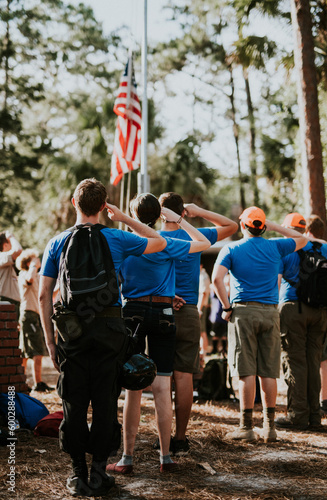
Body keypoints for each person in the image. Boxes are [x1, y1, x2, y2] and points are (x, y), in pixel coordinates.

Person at [38, 178, 167, 497]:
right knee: (106, 399)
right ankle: (99, 473)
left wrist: (51, 342)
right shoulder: (117, 237)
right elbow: (159, 241)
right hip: (110, 330)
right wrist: (123, 218)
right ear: (103, 206)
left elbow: (44, 295)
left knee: (74, 401)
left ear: (73, 203)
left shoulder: (57, 242)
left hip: (73, 332)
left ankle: (77, 475)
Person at [107, 193, 210, 475]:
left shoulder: (124, 242)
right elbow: (205, 243)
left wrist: (123, 219)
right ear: (158, 216)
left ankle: (127, 459)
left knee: (133, 388)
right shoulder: (167, 243)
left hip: (133, 314)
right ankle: (166, 458)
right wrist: (179, 221)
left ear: (132, 213)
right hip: (164, 312)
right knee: (163, 386)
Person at [212, 207, 307, 443]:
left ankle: (246, 427)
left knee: (246, 370)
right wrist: (273, 226)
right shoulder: (275, 246)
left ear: (243, 225)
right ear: (262, 227)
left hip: (243, 312)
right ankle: (270, 427)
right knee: (268, 371)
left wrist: (226, 307)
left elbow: (216, 279)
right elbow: (302, 239)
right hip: (270, 313)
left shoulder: (231, 248)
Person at [159, 193, 238, 454]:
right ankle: (180, 438)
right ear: (182, 212)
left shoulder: (151, 238)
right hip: (189, 311)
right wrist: (198, 211)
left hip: (160, 308)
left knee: (161, 376)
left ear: (161, 213)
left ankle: (162, 440)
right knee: (184, 376)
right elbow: (232, 226)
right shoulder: (196, 235)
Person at [276, 213, 327, 430]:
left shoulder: (286, 250)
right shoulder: (324, 250)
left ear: (287, 229)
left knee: (294, 362)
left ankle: (297, 416)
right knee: (313, 362)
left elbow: (277, 281)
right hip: (320, 311)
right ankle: (314, 417)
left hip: (293, 308)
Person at [16, 249, 53, 392]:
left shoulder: (35, 276)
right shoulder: (24, 275)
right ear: (28, 262)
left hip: (34, 316)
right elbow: (29, 279)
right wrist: (33, 265)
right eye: (34, 259)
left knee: (27, 351)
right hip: (28, 315)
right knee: (36, 350)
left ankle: (22, 381)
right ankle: (37, 383)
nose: (38, 261)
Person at [0, 231, 22, 321]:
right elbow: (18, 250)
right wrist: (10, 236)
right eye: (10, 243)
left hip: (11, 302)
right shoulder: (2, 256)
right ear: (5, 245)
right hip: (6, 302)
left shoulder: (6, 261)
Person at [198, 264, 211, 356]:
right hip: (202, 305)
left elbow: (203, 293)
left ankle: (203, 351)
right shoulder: (202, 275)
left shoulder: (203, 276)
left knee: (201, 330)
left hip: (201, 306)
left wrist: (199, 309)